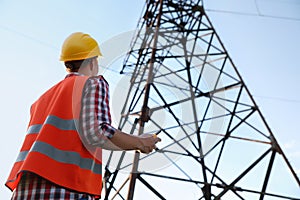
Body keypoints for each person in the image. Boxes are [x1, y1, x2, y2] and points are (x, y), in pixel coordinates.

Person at [5, 32, 161, 199]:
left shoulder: (42, 99)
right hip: (65, 188)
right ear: (93, 62)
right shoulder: (92, 83)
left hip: (25, 189)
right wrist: (140, 142)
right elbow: (96, 133)